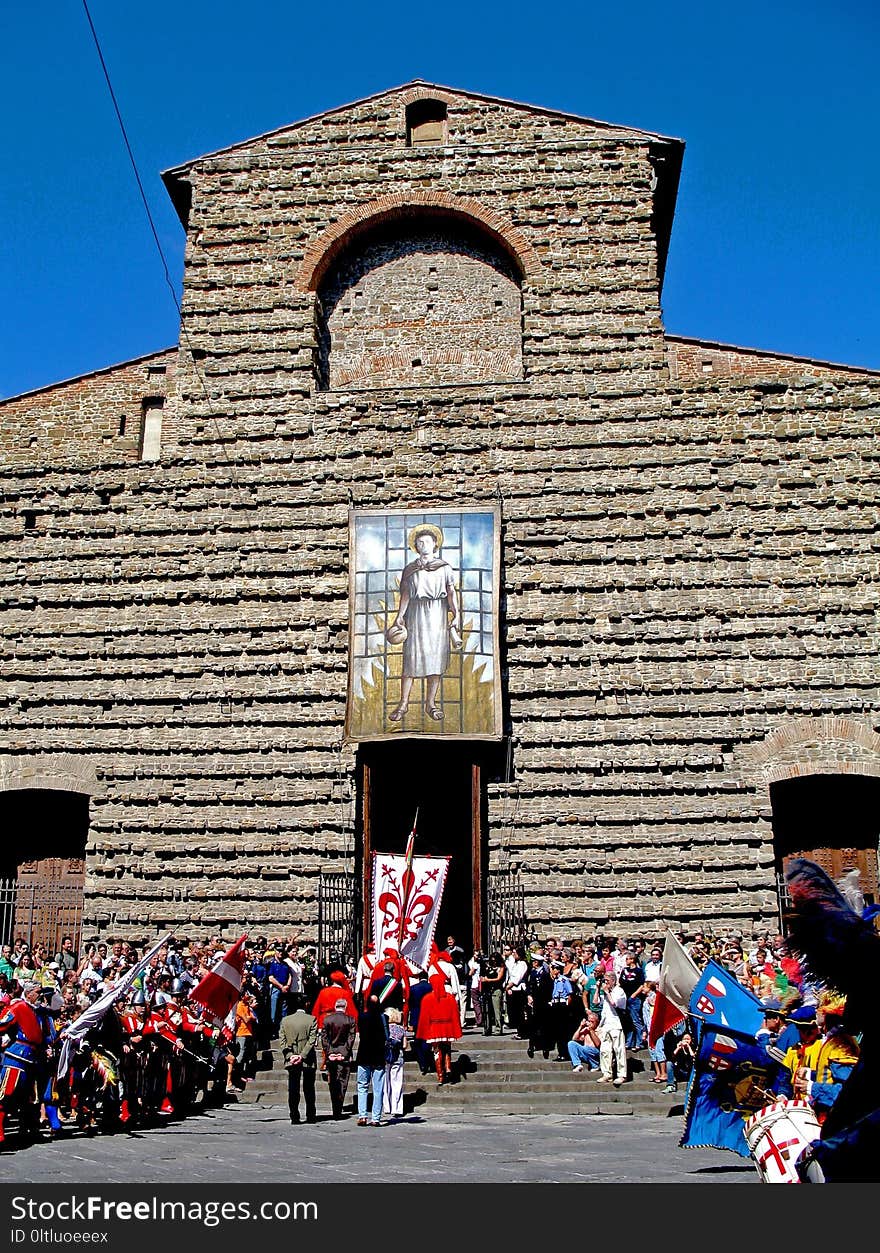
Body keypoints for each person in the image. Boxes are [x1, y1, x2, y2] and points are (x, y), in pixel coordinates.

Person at [387, 525, 460, 722]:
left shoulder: (444, 568)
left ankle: (431, 704)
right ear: (416, 547)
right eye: (420, 542)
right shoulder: (410, 570)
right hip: (416, 615)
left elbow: (451, 592)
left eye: (427, 541)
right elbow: (406, 594)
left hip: (437, 615)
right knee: (411, 662)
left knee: (435, 662)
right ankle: (403, 705)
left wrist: (456, 613)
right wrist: (399, 616)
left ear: (435, 544)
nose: (423, 544)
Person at [415, 972, 462, 1086]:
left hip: (434, 1028)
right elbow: (455, 1014)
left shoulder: (427, 999)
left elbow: (424, 1017)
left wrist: (423, 1031)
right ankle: (448, 1066)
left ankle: (440, 1075)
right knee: (447, 1048)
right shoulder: (450, 998)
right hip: (447, 1027)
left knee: (437, 1051)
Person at [279, 994, 318, 1125]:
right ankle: (311, 1114)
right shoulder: (311, 1019)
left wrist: (290, 1056)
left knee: (293, 1088)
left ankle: (294, 1115)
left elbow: (282, 1041)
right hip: (307, 1059)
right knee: (309, 1088)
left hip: (292, 1058)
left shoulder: (285, 1020)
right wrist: (303, 1055)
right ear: (306, 1004)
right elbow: (312, 1039)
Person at [320, 996, 357, 1120]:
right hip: (344, 1054)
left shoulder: (327, 1019)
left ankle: (335, 1107)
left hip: (331, 1053)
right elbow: (351, 1038)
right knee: (343, 1081)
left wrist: (329, 1052)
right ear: (345, 1007)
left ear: (335, 1007)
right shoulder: (350, 1020)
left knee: (333, 1082)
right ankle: (339, 1107)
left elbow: (324, 1038)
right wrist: (345, 1052)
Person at [355, 993, 388, 1126]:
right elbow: (387, 1036)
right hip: (378, 1055)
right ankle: (376, 1118)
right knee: (378, 1088)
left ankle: (362, 1115)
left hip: (364, 1055)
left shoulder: (362, 1017)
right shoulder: (383, 1018)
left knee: (362, 1086)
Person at [596, 970, 628, 1086]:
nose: (606, 983)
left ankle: (621, 1074)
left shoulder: (619, 991)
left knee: (618, 1049)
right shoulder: (604, 992)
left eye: (607, 981)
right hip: (606, 1024)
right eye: (605, 980)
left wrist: (607, 992)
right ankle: (607, 1073)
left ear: (613, 981)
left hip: (616, 1023)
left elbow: (615, 1004)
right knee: (605, 1050)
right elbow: (595, 1002)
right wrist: (598, 989)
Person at [382, 1005, 407, 1120]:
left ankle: (387, 1107)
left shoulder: (384, 1028)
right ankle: (397, 1108)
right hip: (398, 1056)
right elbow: (405, 1045)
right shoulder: (401, 1029)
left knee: (386, 1082)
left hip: (386, 1056)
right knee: (397, 1082)